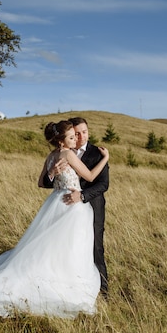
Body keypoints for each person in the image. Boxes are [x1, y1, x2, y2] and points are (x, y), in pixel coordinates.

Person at [0, 120, 109, 318]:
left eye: (78, 135)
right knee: (69, 247)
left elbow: (42, 182)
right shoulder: (67, 154)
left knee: (51, 245)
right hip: (71, 206)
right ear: (61, 142)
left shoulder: (51, 156)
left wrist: (52, 172)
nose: (76, 139)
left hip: (55, 202)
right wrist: (105, 158)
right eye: (72, 137)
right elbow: (91, 177)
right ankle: (63, 282)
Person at [42, 117, 110, 298]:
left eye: (84, 132)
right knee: (65, 246)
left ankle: (103, 290)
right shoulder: (65, 153)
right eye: (75, 134)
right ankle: (67, 286)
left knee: (95, 247)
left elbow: (103, 184)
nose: (80, 137)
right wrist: (53, 173)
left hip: (88, 205)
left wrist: (82, 195)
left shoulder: (96, 153)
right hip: (66, 206)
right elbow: (44, 182)